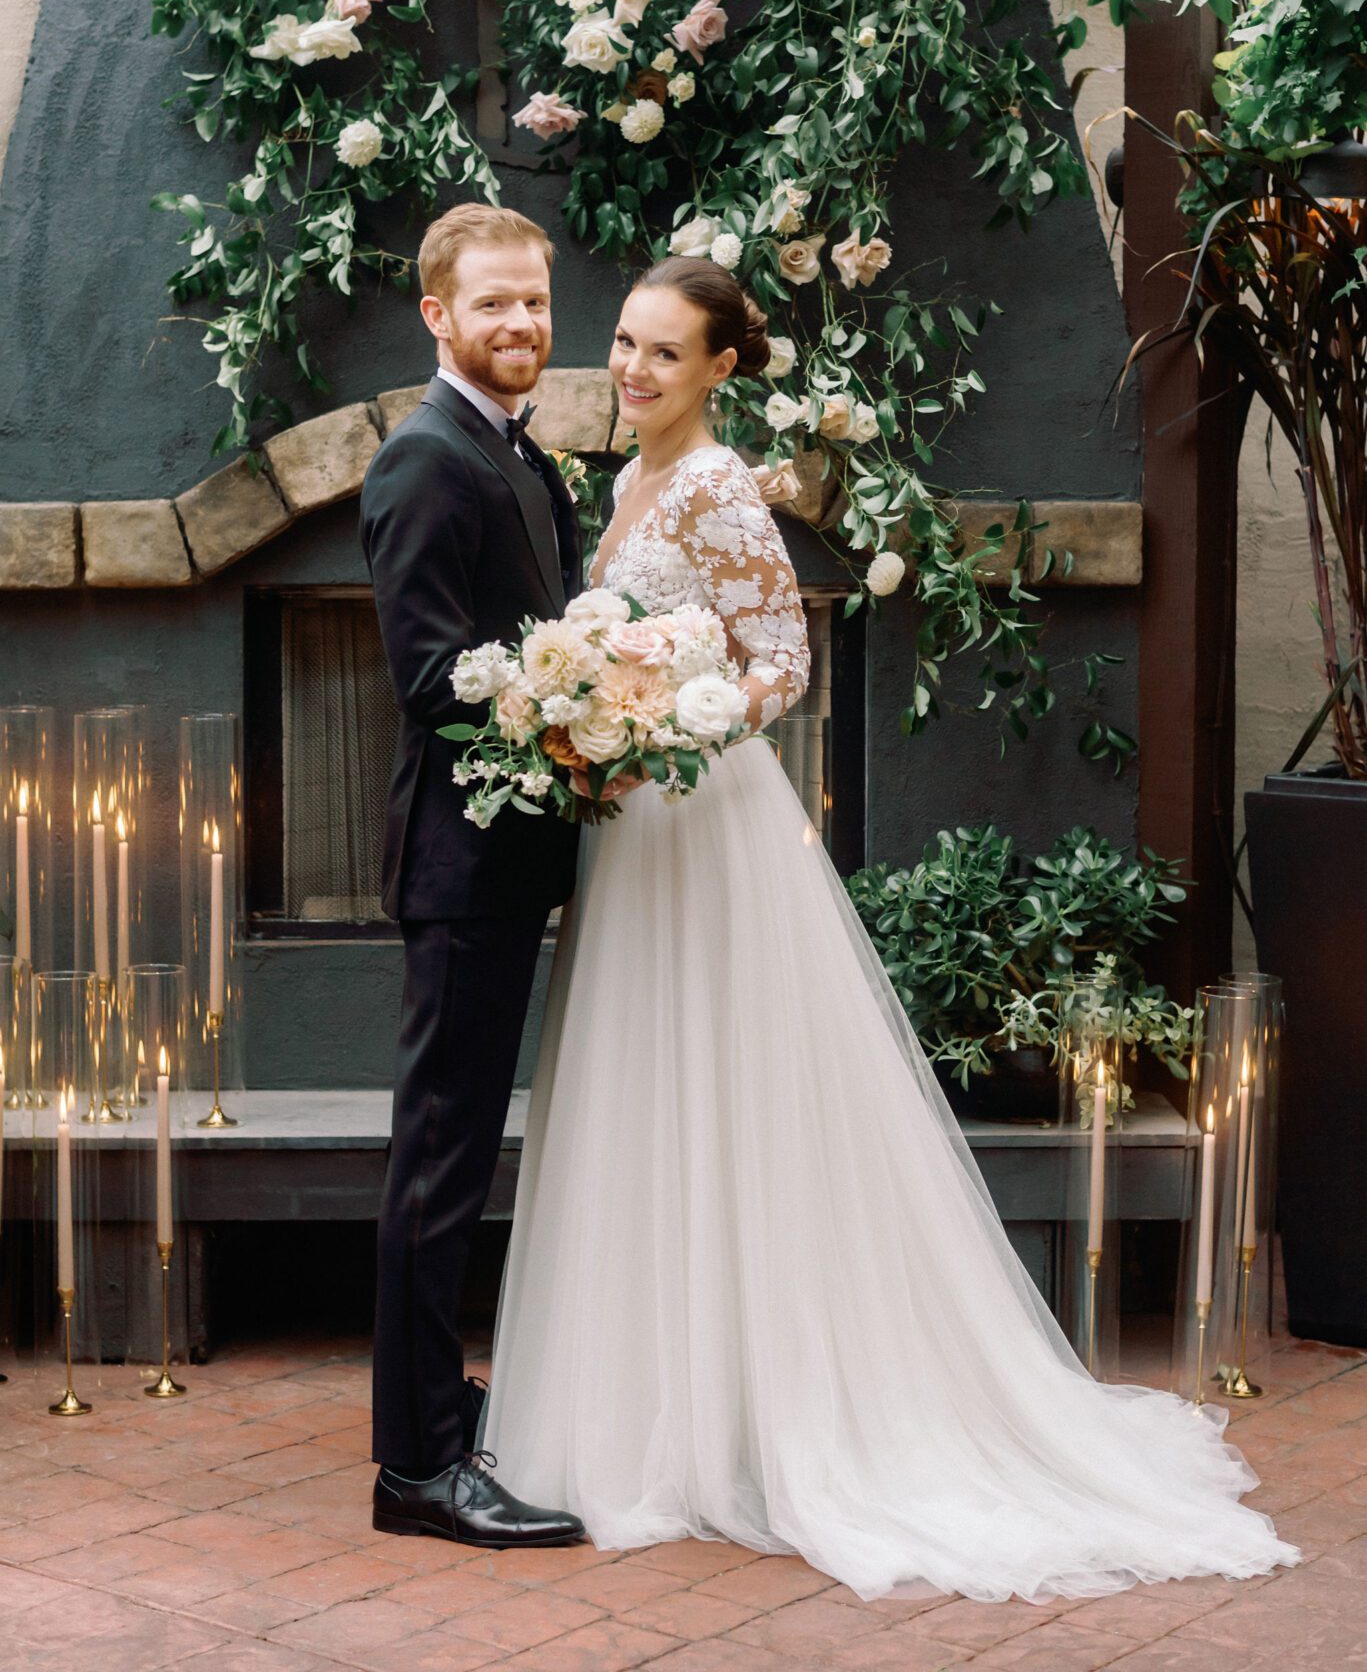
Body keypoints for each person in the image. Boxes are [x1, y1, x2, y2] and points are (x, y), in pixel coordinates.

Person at [475, 253, 1302, 1604]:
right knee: (645, 1090)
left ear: (720, 370)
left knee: (732, 1092)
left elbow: (782, 664)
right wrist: (595, 725)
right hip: (637, 837)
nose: (630, 371)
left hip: (707, 821)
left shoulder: (721, 488)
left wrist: (658, 728)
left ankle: (771, 1411)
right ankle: (658, 1398)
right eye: (623, 344)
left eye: (663, 355)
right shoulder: (623, 482)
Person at [360, 202, 586, 1550]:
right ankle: (416, 1471)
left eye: (535, 304)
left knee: (456, 1158)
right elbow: (431, 676)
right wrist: (571, 707)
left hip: (510, 861)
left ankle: (441, 1404)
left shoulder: (508, 445)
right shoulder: (422, 461)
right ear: (438, 315)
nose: (520, 326)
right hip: (461, 864)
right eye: (493, 304)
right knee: (438, 1166)